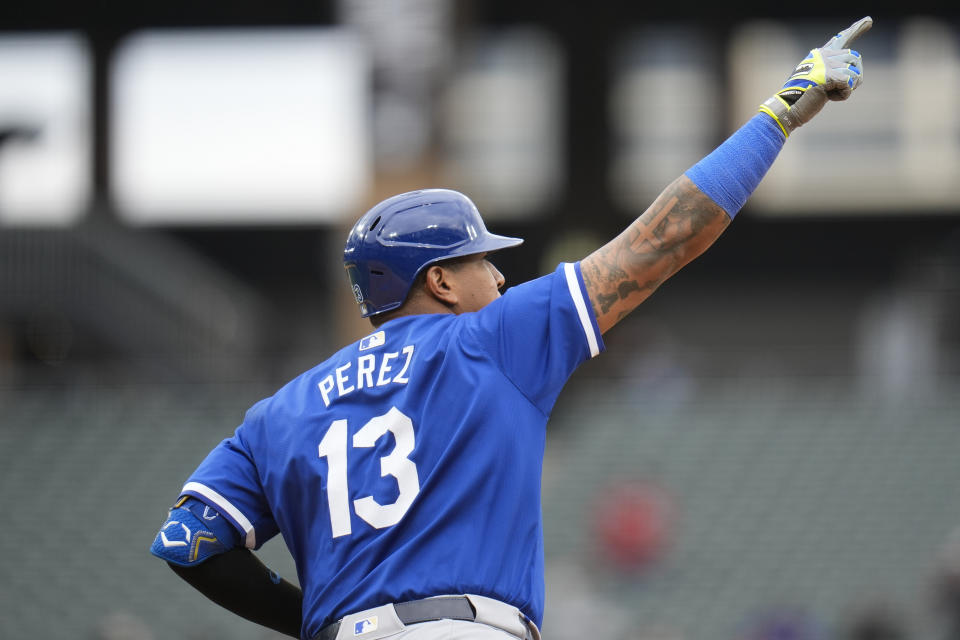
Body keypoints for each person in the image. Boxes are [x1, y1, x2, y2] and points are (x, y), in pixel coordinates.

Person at [149, 16, 872, 640]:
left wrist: (309, 620)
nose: (498, 278)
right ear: (438, 280)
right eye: (481, 262)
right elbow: (662, 239)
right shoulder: (492, 340)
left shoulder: (282, 409)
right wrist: (779, 113)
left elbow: (188, 541)